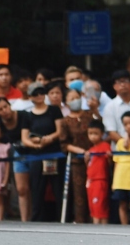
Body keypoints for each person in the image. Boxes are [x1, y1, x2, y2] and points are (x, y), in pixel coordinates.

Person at [20, 83, 65, 222]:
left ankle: (62, 217)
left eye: (41, 92)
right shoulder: (27, 115)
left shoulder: (54, 110)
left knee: (58, 188)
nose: (39, 96)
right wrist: (34, 144)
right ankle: (36, 218)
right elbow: (24, 138)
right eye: (35, 94)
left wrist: (49, 138)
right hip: (36, 155)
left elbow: (60, 131)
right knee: (37, 189)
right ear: (30, 96)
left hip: (53, 153)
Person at [0, 96, 30, 221]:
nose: (4, 110)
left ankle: (34, 216)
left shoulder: (23, 115)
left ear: (10, 105)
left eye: (5, 107)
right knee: (21, 189)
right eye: (0, 109)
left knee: (33, 187)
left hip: (32, 153)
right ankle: (23, 220)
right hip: (15, 158)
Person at [61, 85, 94, 223]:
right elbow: (64, 144)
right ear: (67, 103)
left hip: (94, 158)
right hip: (76, 161)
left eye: (77, 97)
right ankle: (80, 221)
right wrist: (81, 151)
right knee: (79, 194)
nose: (75, 100)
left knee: (95, 190)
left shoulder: (89, 115)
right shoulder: (65, 121)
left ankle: (97, 220)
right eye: (72, 98)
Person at [84, 120, 113, 225]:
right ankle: (97, 227)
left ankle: (98, 228)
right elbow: (90, 165)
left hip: (100, 180)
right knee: (93, 207)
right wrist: (86, 160)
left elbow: (109, 163)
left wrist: (110, 157)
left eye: (95, 133)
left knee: (99, 206)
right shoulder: (91, 149)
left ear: (102, 134)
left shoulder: (105, 146)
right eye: (90, 133)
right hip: (90, 181)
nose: (92, 136)